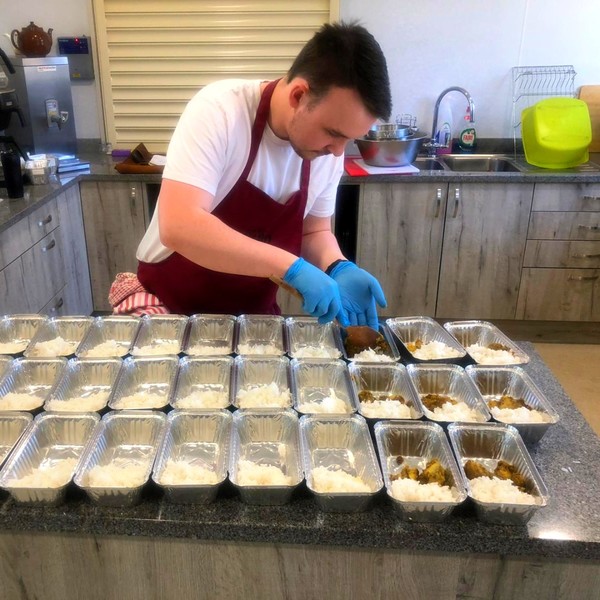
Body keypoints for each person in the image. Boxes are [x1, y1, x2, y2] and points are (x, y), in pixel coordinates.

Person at [132, 21, 391, 329]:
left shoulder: (327, 152)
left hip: (253, 322)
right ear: (298, 96)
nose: (338, 152)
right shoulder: (220, 111)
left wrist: (338, 266)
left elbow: (314, 231)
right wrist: (290, 267)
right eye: (333, 133)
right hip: (172, 314)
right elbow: (180, 225)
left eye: (349, 139)